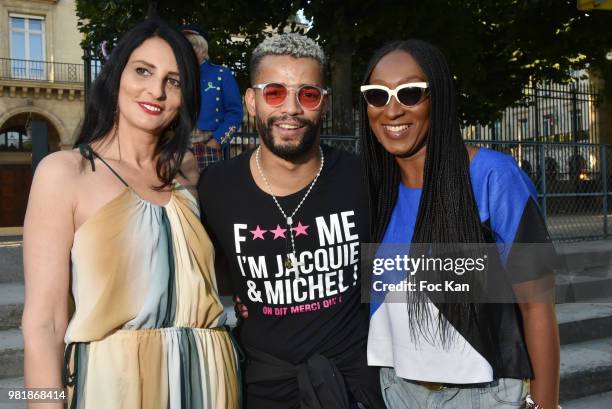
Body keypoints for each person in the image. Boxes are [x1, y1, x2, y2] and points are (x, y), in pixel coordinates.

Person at [21, 18, 239, 409]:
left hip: (210, 386)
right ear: (116, 75)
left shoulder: (186, 170)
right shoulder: (65, 173)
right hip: (113, 388)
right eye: (143, 71)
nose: (156, 90)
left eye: (173, 80)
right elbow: (43, 324)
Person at [361, 40, 560, 408]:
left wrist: (547, 404)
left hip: (482, 396)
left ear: (440, 97)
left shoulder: (493, 177)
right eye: (377, 95)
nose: (392, 110)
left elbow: (537, 307)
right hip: (396, 390)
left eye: (410, 93)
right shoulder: (374, 189)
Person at [198, 33, 385, 409]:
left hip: (355, 388)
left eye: (308, 94)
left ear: (324, 104)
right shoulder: (216, 187)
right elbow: (204, 272)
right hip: (262, 390)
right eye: (274, 93)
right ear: (251, 101)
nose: (292, 108)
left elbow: (406, 263)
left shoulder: (363, 177)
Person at [181, 25, 243, 170]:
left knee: (210, 190)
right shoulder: (176, 75)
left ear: (202, 48)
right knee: (177, 192)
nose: (186, 51)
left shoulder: (222, 74)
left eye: (191, 46)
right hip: (178, 144)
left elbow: (235, 113)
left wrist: (217, 142)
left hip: (209, 142)